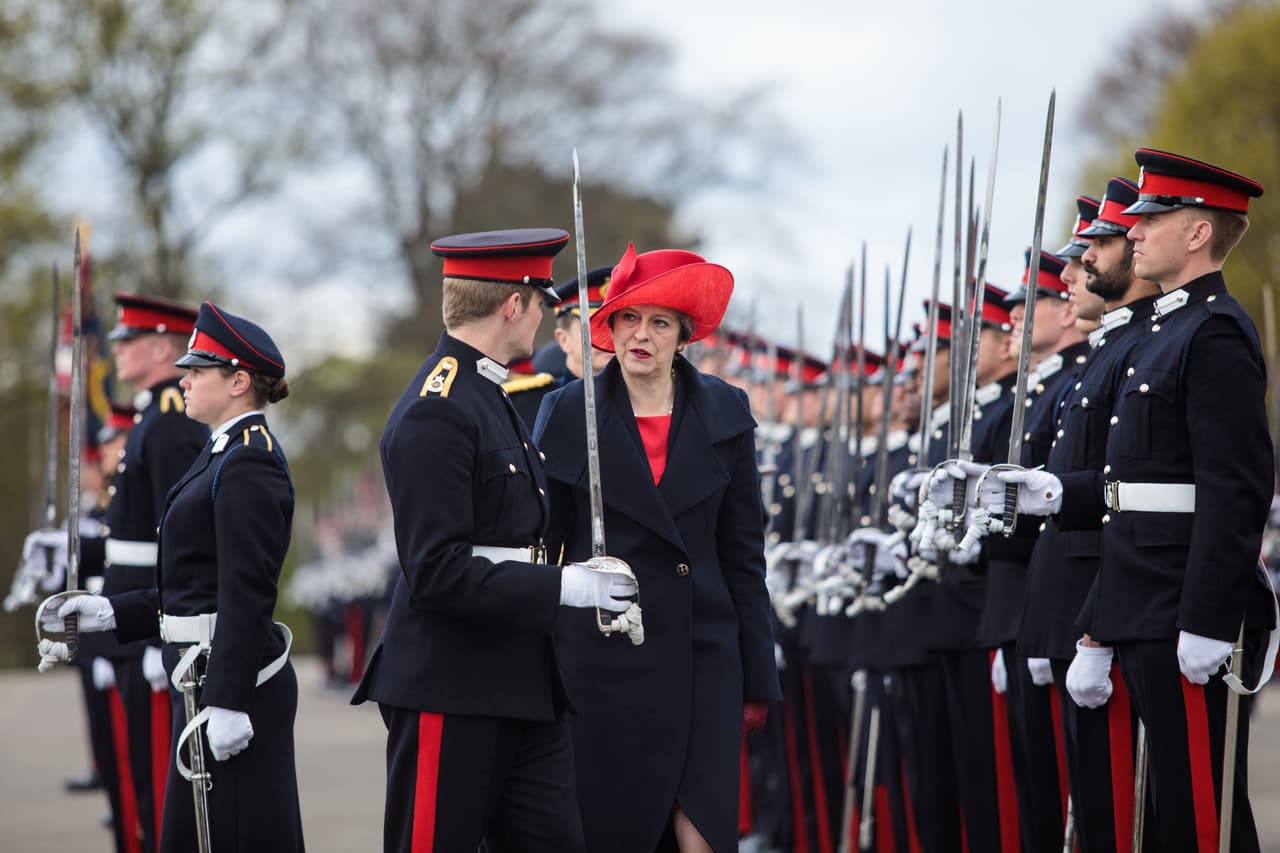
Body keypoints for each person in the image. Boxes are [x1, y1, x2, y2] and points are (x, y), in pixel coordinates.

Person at [992, 148, 1274, 852]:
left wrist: (1210, 618)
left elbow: (1233, 490)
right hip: (1131, 602)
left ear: (1199, 232)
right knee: (1147, 818)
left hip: (1181, 608)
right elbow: (1125, 493)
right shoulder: (1157, 336)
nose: (1135, 230)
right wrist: (1053, 492)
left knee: (1195, 816)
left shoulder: (1214, 331)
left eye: (1155, 216)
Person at [352, 228, 638, 853]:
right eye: (542, 303)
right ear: (515, 304)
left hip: (522, 678)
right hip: (450, 682)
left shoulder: (488, 392)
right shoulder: (440, 405)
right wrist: (563, 585)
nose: (543, 318)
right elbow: (436, 570)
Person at [533, 243, 782, 853]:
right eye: (628, 319)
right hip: (604, 659)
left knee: (702, 834)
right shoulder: (566, 411)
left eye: (659, 322)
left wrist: (757, 675)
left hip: (704, 657)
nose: (641, 335)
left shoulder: (726, 409)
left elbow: (743, 555)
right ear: (608, 328)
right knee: (614, 830)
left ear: (683, 334)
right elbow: (546, 546)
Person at [40, 301, 303, 852]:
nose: (183, 379)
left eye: (197, 370)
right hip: (201, 673)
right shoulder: (221, 453)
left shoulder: (247, 461)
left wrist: (229, 700)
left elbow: (245, 592)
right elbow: (195, 584)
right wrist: (117, 612)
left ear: (237, 382)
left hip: (232, 686)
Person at [505, 265, 614, 427]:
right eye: (594, 328)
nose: (608, 337)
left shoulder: (646, 401)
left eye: (614, 326)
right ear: (563, 340)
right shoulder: (522, 404)